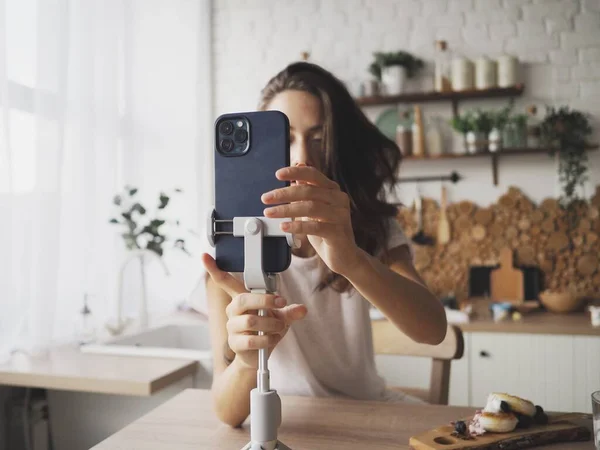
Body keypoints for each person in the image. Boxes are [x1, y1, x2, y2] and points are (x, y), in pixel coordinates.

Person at [201, 62, 447, 427]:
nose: (303, 158)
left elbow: (432, 330)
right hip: (287, 423)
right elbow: (226, 411)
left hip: (367, 415)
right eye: (285, 137)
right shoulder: (236, 237)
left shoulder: (371, 224)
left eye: (319, 138)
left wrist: (352, 259)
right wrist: (249, 360)